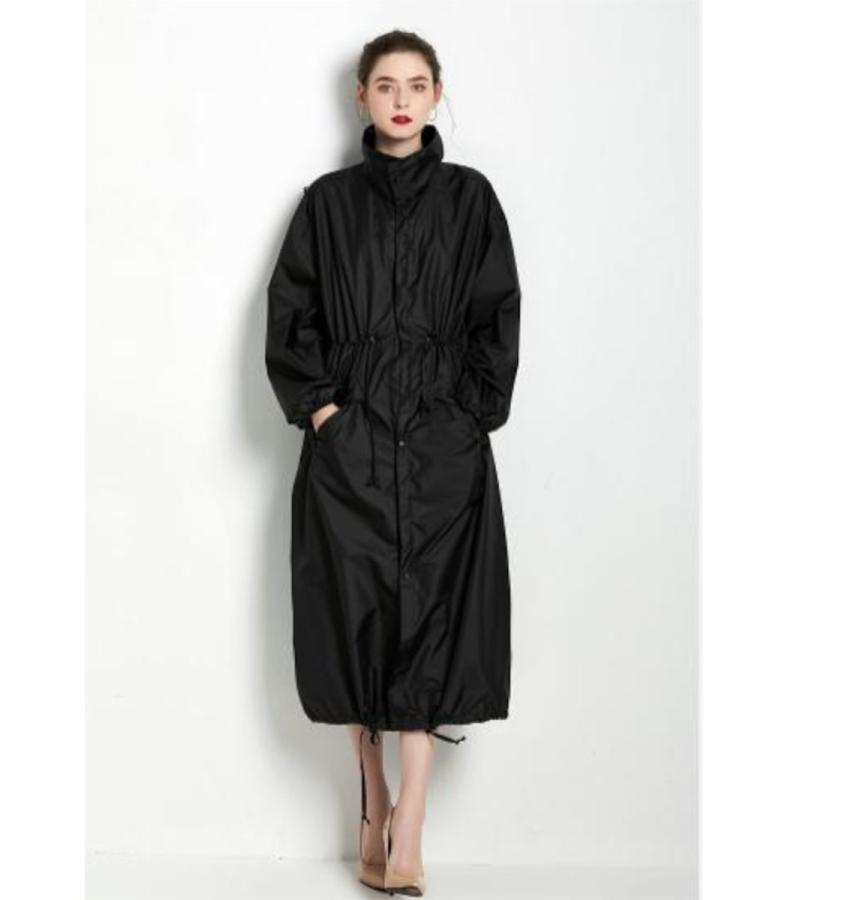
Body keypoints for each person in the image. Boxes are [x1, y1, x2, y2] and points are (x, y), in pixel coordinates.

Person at [265, 29, 521, 896]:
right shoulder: (328, 205)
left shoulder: (471, 199)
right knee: (357, 615)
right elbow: (290, 317)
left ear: (438, 93)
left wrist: (470, 417)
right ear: (363, 98)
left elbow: (497, 317)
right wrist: (325, 414)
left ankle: (409, 822)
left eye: (416, 84)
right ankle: (371, 797)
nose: (402, 99)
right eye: (386, 85)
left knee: (435, 623)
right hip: (353, 446)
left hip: (443, 447)